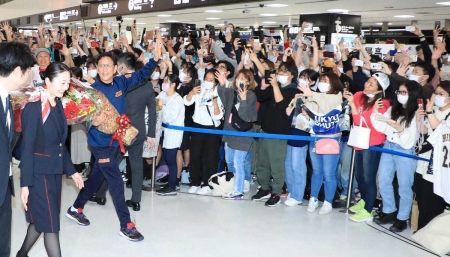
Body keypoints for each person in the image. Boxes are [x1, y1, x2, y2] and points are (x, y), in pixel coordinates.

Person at [66, 42, 161, 241]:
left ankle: (76, 208)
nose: (104, 69)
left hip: (117, 142)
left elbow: (142, 75)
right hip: (100, 145)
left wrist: (155, 59)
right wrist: (92, 121)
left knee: (95, 179)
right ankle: (126, 225)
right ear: (96, 69)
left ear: (116, 68)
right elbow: (81, 117)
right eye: (100, 66)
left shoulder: (121, 84)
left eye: (108, 65)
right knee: (116, 182)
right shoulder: (92, 90)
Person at [17, 63, 84, 257]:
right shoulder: (34, 107)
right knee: (51, 226)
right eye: (62, 83)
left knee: (42, 221)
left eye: (67, 83)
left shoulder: (57, 104)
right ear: (47, 81)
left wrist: (71, 170)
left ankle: (21, 254)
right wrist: (25, 184)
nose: (66, 87)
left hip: (54, 173)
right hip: (38, 175)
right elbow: (27, 148)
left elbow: (59, 144)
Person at [372, 80, 421, 232]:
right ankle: (389, 210)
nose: (400, 95)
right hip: (389, 146)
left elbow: (409, 141)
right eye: (399, 92)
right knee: (383, 180)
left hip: (405, 151)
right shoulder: (394, 108)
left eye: (404, 92)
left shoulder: (417, 113)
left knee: (404, 186)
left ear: (412, 94)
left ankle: (402, 217)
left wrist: (398, 129)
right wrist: (375, 112)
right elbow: (381, 125)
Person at [0, 41, 35, 257]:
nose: (30, 76)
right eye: (28, 71)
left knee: (3, 241)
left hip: (4, 187)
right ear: (16, 71)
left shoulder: (7, 99)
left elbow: (10, 145)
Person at [343, 73, 391, 222]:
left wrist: (353, 106)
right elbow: (356, 120)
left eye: (372, 84)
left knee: (368, 177)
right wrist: (352, 103)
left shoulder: (383, 103)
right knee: (359, 175)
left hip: (373, 142)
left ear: (380, 88)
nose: (367, 85)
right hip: (359, 139)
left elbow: (369, 123)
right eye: (367, 82)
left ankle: (368, 210)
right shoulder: (358, 95)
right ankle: (364, 201)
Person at [252, 62, 298, 206]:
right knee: (261, 163)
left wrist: (275, 86)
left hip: (279, 133)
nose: (281, 75)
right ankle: (264, 188)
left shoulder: (293, 91)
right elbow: (260, 96)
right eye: (279, 72)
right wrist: (264, 86)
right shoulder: (274, 87)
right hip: (264, 130)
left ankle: (277, 191)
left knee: (276, 164)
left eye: (284, 72)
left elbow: (281, 104)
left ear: (292, 75)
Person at [300, 73, 344, 215]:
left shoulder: (337, 96)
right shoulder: (317, 95)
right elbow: (312, 108)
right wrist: (305, 102)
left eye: (326, 81)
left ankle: (328, 201)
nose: (322, 83)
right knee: (317, 172)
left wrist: (311, 93)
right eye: (321, 81)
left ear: (334, 83)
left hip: (331, 139)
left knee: (329, 174)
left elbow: (326, 104)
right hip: (316, 138)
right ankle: (313, 198)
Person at [117, 52, 156, 211]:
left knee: (110, 162)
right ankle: (136, 200)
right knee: (137, 165)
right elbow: (153, 111)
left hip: (120, 129)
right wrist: (151, 133)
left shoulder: (118, 83)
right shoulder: (147, 85)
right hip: (138, 130)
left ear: (122, 67)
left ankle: (99, 193)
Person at [415, 81, 450, 229]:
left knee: (433, 201)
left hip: (440, 165)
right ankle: (421, 231)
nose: (437, 96)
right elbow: (424, 133)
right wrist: (418, 118)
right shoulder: (433, 109)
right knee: (421, 196)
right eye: (436, 93)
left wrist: (429, 113)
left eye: (441, 94)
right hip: (424, 162)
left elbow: (439, 132)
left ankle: (429, 233)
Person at [184, 69, 224, 195]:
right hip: (197, 126)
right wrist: (191, 93)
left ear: (216, 81)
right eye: (206, 78)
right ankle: (195, 182)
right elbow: (187, 102)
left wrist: (215, 101)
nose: (208, 81)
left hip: (212, 129)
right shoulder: (199, 89)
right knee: (195, 155)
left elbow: (219, 116)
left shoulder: (219, 92)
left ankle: (207, 183)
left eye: (211, 80)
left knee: (210, 157)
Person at [221, 69, 258, 200]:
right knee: (229, 161)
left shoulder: (251, 95)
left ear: (248, 81)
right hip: (230, 133)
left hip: (244, 134)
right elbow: (222, 101)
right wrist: (222, 84)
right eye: (238, 78)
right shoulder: (232, 92)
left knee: (238, 162)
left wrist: (243, 100)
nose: (240, 81)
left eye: (243, 79)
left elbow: (246, 117)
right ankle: (235, 185)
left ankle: (238, 190)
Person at [156, 74, 185, 196]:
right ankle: (170, 183)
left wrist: (161, 107)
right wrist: (159, 106)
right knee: (167, 158)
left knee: (170, 159)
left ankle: (172, 186)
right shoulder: (163, 94)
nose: (164, 83)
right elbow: (155, 105)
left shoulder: (177, 99)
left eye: (167, 81)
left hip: (174, 133)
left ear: (173, 84)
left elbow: (170, 117)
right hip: (164, 132)